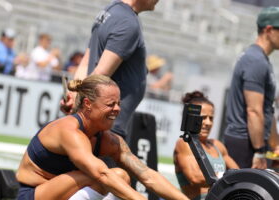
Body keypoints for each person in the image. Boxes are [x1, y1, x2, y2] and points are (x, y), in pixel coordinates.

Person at [16, 74, 189, 200]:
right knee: (103, 176)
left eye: (118, 104)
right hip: (32, 195)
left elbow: (147, 176)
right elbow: (102, 175)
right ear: (87, 104)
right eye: (110, 104)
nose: (117, 109)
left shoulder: (108, 140)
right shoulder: (69, 131)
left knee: (121, 176)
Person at [61, 0, 160, 139]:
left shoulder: (111, 11)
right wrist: (76, 101)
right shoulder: (128, 22)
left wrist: (73, 95)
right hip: (107, 128)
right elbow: (100, 75)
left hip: (99, 123)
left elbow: (86, 62)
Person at [224, 7, 279, 169]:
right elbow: (254, 111)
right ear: (268, 30)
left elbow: (266, 109)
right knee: (245, 192)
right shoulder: (255, 61)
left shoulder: (260, 59)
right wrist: (259, 151)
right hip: (245, 142)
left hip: (252, 141)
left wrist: (274, 145)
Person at [174, 91, 239, 200]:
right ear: (192, 118)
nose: (208, 123)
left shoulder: (218, 145)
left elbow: (238, 173)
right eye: (203, 118)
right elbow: (195, 178)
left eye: (211, 118)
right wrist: (227, 176)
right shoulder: (184, 144)